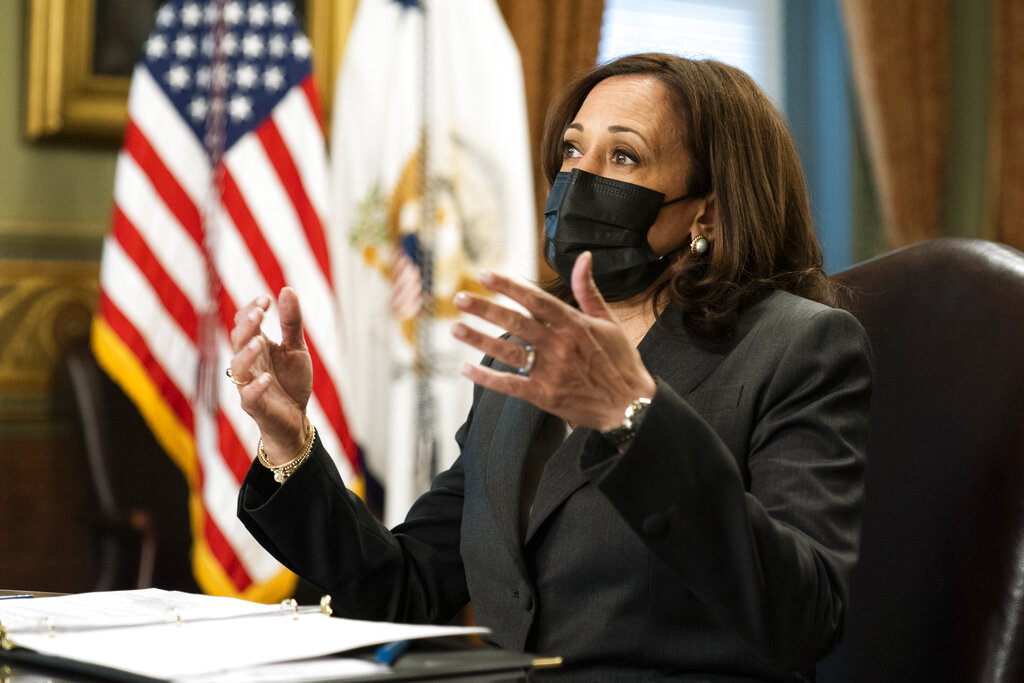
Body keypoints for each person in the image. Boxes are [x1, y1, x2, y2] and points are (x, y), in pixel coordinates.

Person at [229, 53, 872, 681]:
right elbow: (407, 585)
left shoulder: (798, 346)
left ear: (706, 210)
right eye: (571, 150)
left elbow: (804, 617)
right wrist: (289, 442)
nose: (578, 178)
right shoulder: (529, 346)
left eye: (623, 155)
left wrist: (634, 421)